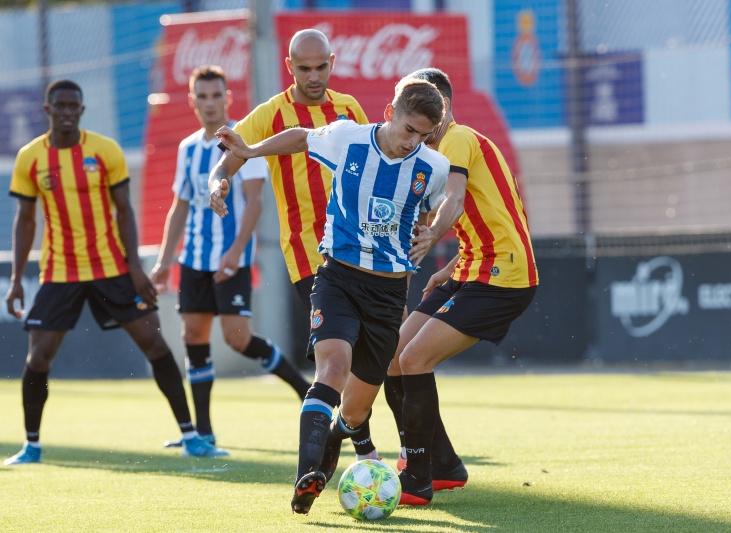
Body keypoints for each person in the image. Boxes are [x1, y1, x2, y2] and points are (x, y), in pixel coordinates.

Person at [212, 77, 450, 515]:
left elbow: (437, 207)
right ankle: (307, 478)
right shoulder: (347, 138)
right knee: (333, 368)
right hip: (337, 279)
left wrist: (430, 231)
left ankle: (343, 438)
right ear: (389, 114)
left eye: (422, 135)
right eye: (407, 129)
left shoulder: (433, 167)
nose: (411, 142)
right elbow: (300, 137)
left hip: (389, 295)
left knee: (356, 411)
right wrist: (250, 151)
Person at [3, 79, 227, 466]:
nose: (67, 112)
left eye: (74, 106)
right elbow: (25, 220)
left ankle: (191, 437)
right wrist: (16, 280)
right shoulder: (30, 158)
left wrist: (134, 268)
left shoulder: (104, 151)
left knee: (155, 344)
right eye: (60, 106)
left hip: (111, 268)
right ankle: (31, 446)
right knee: (38, 358)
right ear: (48, 110)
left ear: (81, 110)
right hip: (60, 272)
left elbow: (124, 211)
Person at [205, 29, 381, 461]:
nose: (314, 76)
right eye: (304, 68)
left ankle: (393, 451)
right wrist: (217, 184)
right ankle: (356, 451)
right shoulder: (271, 113)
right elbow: (229, 159)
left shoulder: (349, 108)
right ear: (289, 67)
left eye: (321, 67)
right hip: (308, 255)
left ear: (332, 63)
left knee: (375, 355)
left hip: (357, 248)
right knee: (338, 356)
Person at [387, 68, 539, 506]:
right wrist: (452, 265)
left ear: (444, 108)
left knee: (414, 359)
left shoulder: (457, 138)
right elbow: (500, 218)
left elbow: (454, 200)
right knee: (393, 358)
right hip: (471, 268)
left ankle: (419, 477)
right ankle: (444, 464)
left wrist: (432, 238)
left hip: (503, 277)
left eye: (424, 107)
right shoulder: (433, 151)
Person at [149, 65, 311, 449]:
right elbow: (180, 207)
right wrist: (164, 262)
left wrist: (236, 251)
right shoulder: (188, 148)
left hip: (231, 258)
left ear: (227, 98)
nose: (210, 103)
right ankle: (202, 433)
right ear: (193, 101)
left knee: (237, 338)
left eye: (216, 95)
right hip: (193, 259)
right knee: (193, 335)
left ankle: (304, 389)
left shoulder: (242, 138)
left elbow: (254, 201)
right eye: (202, 96)